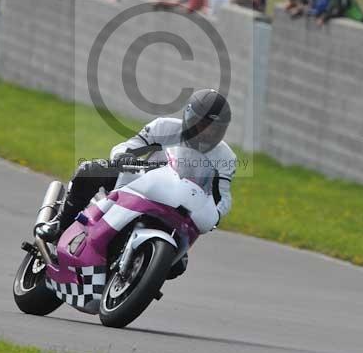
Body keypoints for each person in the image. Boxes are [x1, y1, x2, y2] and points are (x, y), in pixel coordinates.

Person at [36, 90, 236, 247]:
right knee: (90, 170)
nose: (207, 135)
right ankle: (61, 223)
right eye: (203, 127)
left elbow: (223, 196)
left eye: (215, 130)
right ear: (189, 118)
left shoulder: (225, 156)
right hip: (141, 182)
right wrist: (124, 156)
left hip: (182, 204)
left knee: (177, 266)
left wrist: (215, 214)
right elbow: (129, 146)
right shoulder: (164, 128)